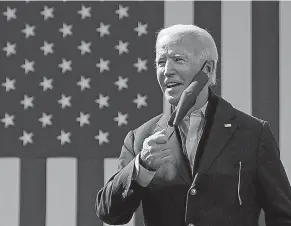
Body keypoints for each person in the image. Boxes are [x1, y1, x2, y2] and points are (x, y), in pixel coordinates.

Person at [96, 24, 291, 226]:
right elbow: (109, 213)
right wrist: (141, 168)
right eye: (160, 62)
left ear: (208, 69)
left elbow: (284, 216)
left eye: (178, 60)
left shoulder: (254, 134)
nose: (167, 71)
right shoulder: (139, 138)